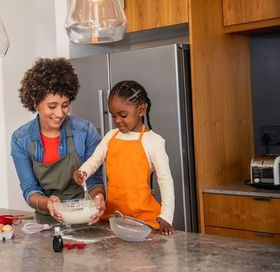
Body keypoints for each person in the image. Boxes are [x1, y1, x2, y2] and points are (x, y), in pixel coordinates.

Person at [73, 80, 175, 235]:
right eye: (113, 116)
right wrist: (83, 172)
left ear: (141, 110)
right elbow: (95, 161)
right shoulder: (110, 136)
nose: (117, 121)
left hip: (144, 219)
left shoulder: (154, 142)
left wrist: (166, 215)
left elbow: (165, 180)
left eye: (123, 115)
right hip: (114, 217)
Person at [11, 58, 106, 224]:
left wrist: (97, 199)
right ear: (35, 104)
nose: (60, 113)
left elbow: (94, 182)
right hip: (46, 222)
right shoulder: (21, 139)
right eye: (52, 106)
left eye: (65, 105)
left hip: (85, 217)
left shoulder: (85, 131)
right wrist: (47, 203)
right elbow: (30, 190)